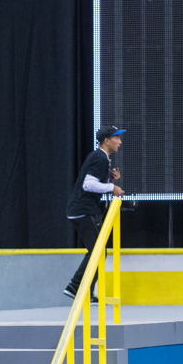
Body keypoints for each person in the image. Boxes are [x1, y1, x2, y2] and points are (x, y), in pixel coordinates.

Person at [65, 125, 126, 301]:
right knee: (98, 252)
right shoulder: (101, 157)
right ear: (106, 141)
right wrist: (112, 188)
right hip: (84, 210)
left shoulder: (98, 156)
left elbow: (92, 183)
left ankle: (86, 291)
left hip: (80, 209)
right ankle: (75, 287)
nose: (120, 142)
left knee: (97, 251)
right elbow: (88, 185)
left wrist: (109, 181)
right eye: (116, 138)